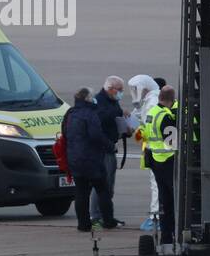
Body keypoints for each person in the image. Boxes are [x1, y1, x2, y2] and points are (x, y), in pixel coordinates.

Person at [63, 88, 116, 231]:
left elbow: (65, 134)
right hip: (92, 159)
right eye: (92, 97)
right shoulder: (91, 114)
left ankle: (83, 224)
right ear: (87, 99)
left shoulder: (70, 113)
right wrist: (110, 146)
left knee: (81, 192)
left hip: (74, 159)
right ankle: (108, 220)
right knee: (102, 190)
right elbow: (96, 135)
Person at [144, 85, 178, 251]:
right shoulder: (165, 116)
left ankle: (166, 236)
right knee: (175, 201)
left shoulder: (151, 113)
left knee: (165, 202)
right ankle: (174, 233)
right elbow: (172, 142)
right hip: (167, 160)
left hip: (155, 162)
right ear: (171, 100)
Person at [90, 75, 127, 227]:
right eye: (119, 90)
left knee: (109, 185)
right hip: (102, 149)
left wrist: (125, 129)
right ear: (110, 89)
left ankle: (106, 215)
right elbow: (101, 119)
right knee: (101, 184)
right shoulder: (98, 101)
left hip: (111, 146)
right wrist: (119, 113)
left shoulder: (112, 101)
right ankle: (97, 216)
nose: (121, 93)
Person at [127, 73, 162, 228]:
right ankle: (157, 215)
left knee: (157, 184)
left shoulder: (152, 102)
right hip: (155, 151)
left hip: (157, 152)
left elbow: (148, 127)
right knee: (156, 184)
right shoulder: (148, 102)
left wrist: (137, 130)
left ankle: (156, 216)